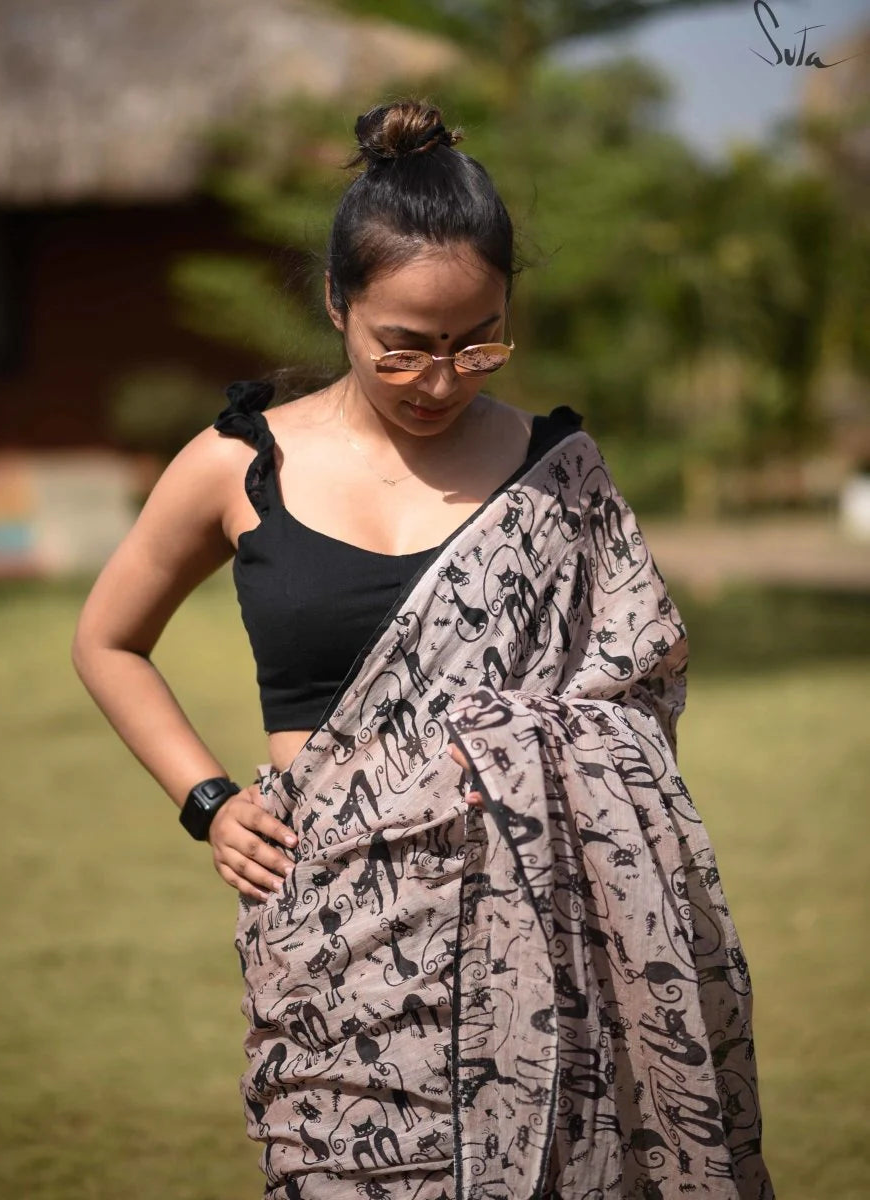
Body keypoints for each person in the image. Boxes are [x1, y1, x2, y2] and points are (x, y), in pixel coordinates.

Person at [73, 100, 774, 1199]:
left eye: (477, 342)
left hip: (540, 940)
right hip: (333, 936)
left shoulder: (558, 472)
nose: (442, 381)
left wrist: (514, 751)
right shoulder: (238, 462)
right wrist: (206, 800)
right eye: (403, 348)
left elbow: (641, 690)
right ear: (336, 305)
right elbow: (110, 639)